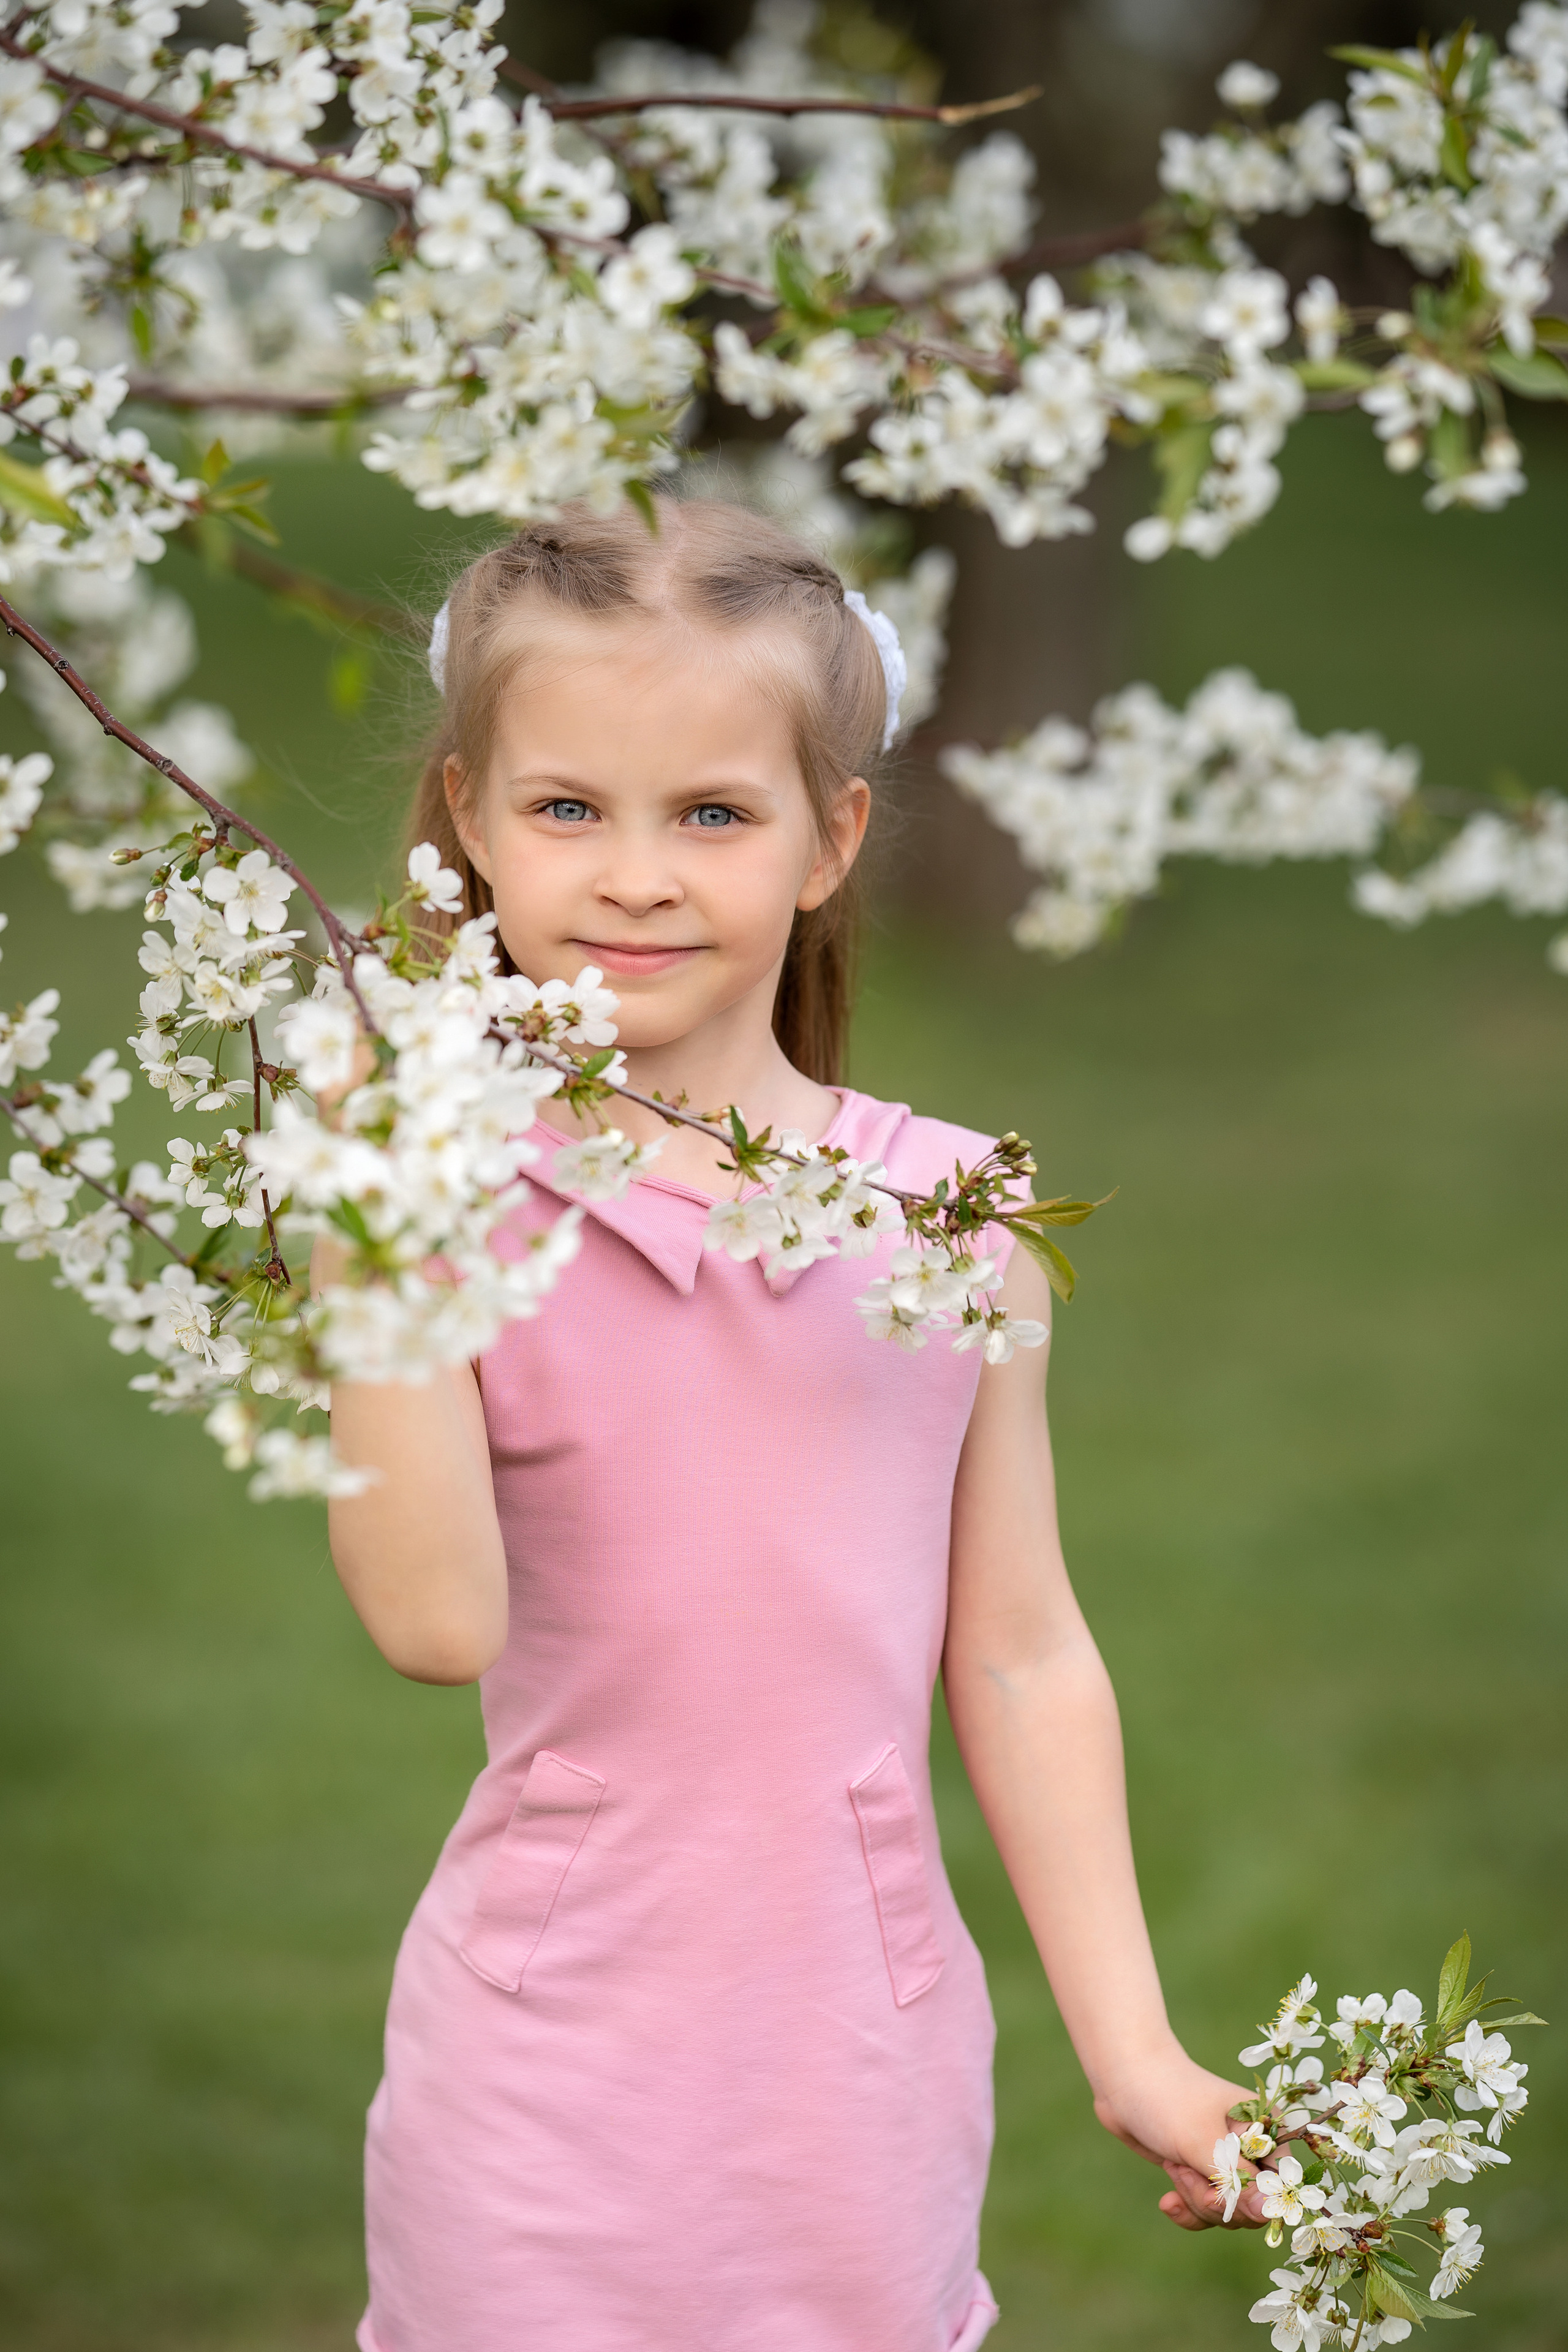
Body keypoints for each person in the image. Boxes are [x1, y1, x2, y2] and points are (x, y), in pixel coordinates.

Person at [315, 498, 1263, 2352]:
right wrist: (386, 1216)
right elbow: (433, 1628)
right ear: (470, 827)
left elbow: (1018, 1652)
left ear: (831, 840)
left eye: (714, 814)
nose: (637, 876)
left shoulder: (959, 1223)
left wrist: (1134, 2041)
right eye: (568, 808)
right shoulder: (444, 1208)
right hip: (540, 2084)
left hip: (860, 2081)